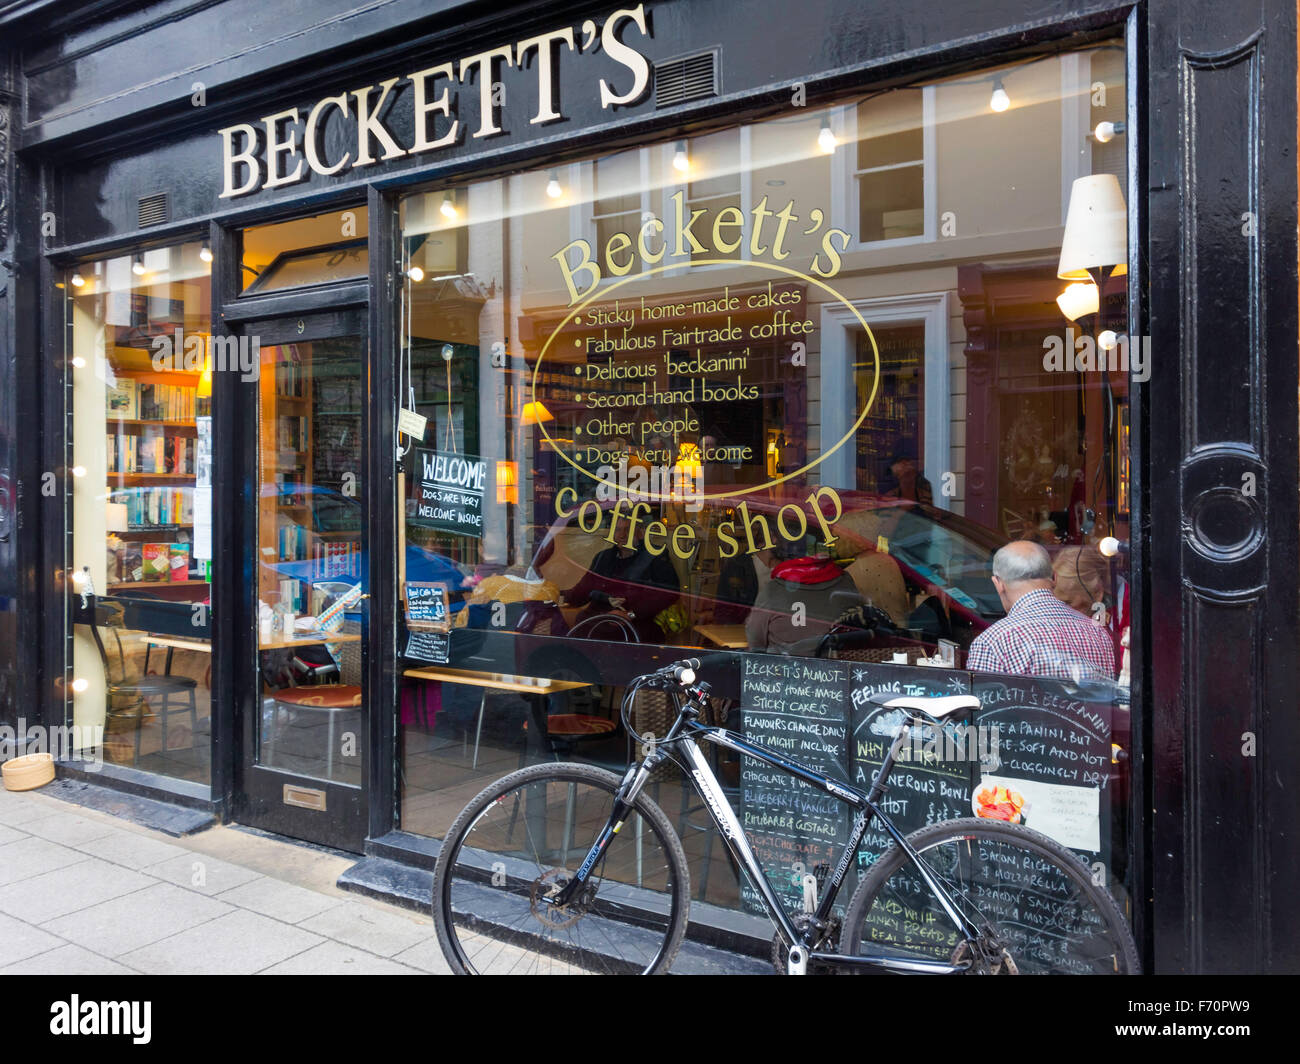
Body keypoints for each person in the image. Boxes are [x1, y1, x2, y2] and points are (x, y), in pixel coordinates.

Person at [966, 540, 1115, 682]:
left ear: (998, 584)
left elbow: (984, 705)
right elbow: (1109, 701)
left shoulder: (993, 643)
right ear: (1054, 578)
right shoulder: (1098, 633)